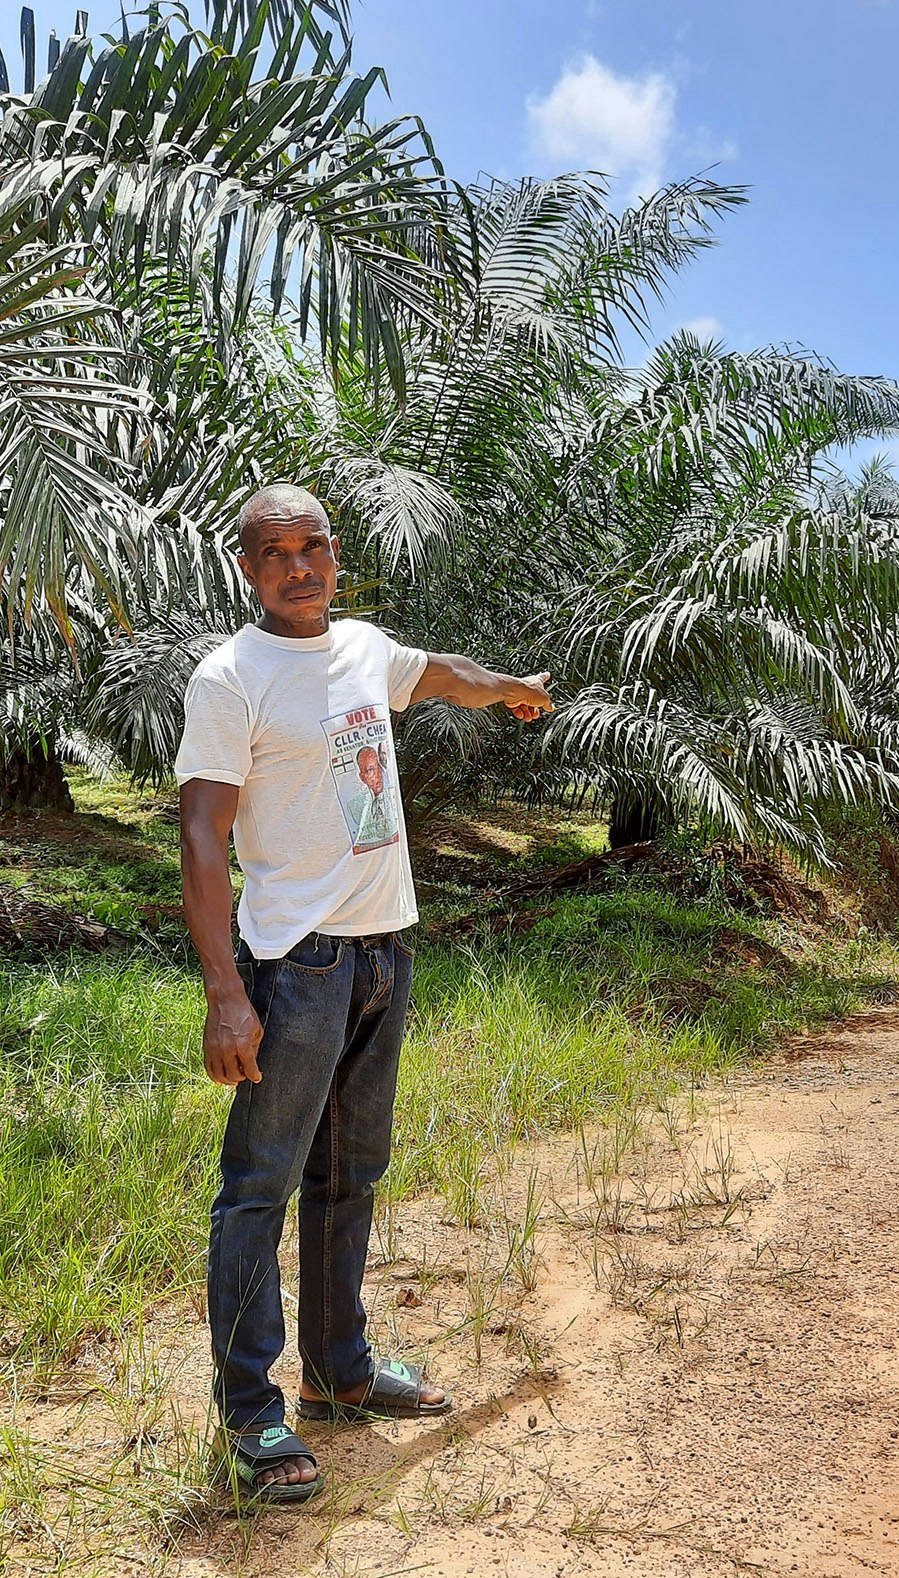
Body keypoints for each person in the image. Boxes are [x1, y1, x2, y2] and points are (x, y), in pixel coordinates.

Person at [177, 483, 552, 1505]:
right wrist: (225, 994)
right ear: (247, 569)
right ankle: (253, 1416)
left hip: (384, 953)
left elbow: (440, 676)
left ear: (335, 553)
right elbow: (202, 836)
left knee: (350, 1178)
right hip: (295, 966)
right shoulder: (229, 679)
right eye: (273, 552)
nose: (297, 566)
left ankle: (340, 1372)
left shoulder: (363, 649)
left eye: (312, 546)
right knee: (258, 1188)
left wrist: (508, 683)